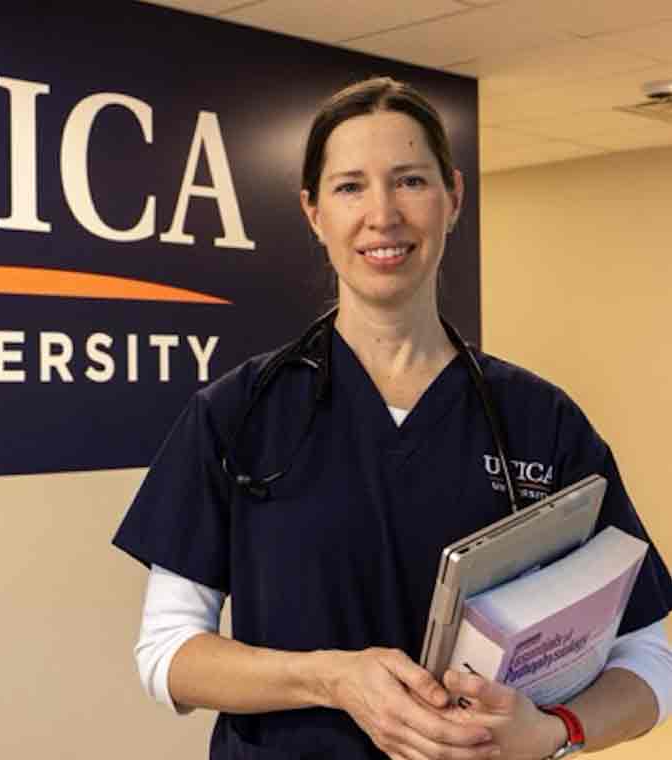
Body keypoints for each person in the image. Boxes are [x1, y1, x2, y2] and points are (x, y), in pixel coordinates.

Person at [112, 77, 672, 760]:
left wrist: (554, 733)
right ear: (314, 212)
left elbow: (648, 659)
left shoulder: (541, 421)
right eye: (350, 187)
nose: (383, 215)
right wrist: (330, 678)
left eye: (410, 181)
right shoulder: (238, 412)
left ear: (453, 197)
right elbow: (167, 653)